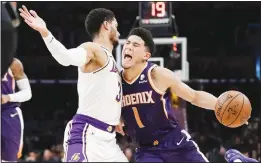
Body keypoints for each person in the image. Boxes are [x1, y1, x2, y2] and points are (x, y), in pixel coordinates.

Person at [19, 6, 128, 162]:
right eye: (116, 26)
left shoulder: (113, 63)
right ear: (107, 25)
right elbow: (66, 58)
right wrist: (45, 33)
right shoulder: (93, 49)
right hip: (87, 134)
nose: (118, 32)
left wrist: (114, 118)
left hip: (108, 140)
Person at [119, 27, 219, 162]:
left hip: (176, 143)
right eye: (127, 43)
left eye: (135, 45)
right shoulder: (115, 82)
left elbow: (194, 96)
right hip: (146, 150)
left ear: (146, 56)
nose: (128, 47)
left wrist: (220, 105)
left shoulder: (157, 75)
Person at [1, 58, 32, 161]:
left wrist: (8, 97)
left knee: (9, 159)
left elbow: (27, 93)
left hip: (8, 112)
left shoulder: (13, 63)